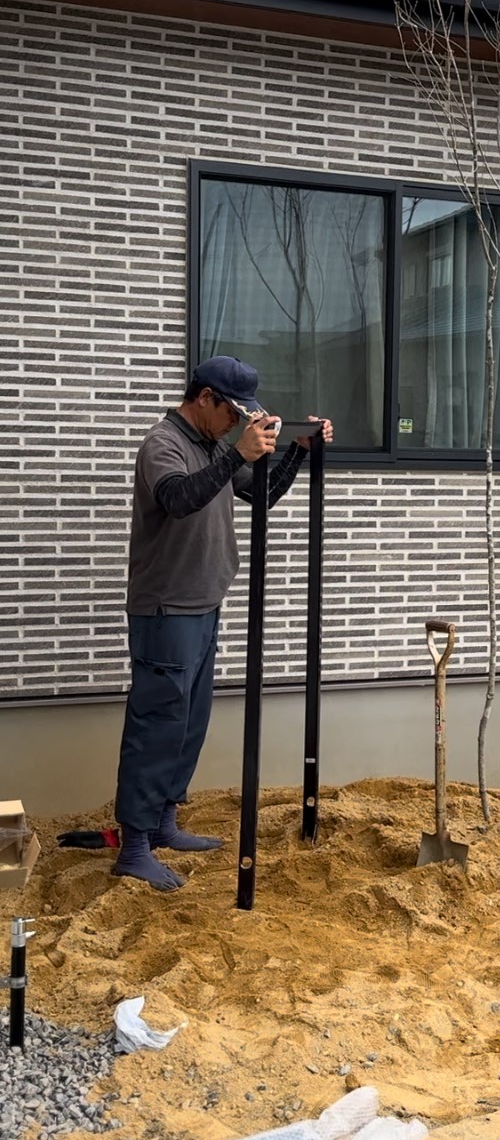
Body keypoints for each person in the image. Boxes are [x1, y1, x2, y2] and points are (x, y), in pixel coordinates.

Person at [114, 356, 333, 890]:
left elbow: (261, 493)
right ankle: (134, 846)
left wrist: (296, 455)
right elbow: (178, 499)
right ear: (205, 398)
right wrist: (237, 451)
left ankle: (164, 822)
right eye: (232, 414)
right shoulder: (163, 444)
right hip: (166, 607)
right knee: (156, 725)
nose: (236, 424)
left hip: (204, 602)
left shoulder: (213, 446)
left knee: (188, 723)